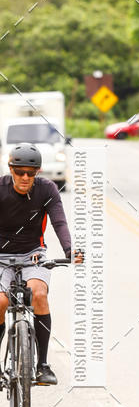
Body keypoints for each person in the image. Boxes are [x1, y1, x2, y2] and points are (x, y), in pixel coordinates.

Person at [0, 143, 82, 385]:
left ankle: (42, 365)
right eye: (19, 172)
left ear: (38, 172)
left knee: (39, 294)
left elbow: (59, 222)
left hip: (33, 254)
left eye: (31, 173)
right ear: (10, 169)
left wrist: (70, 250)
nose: (25, 177)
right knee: (1, 301)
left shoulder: (46, 190)